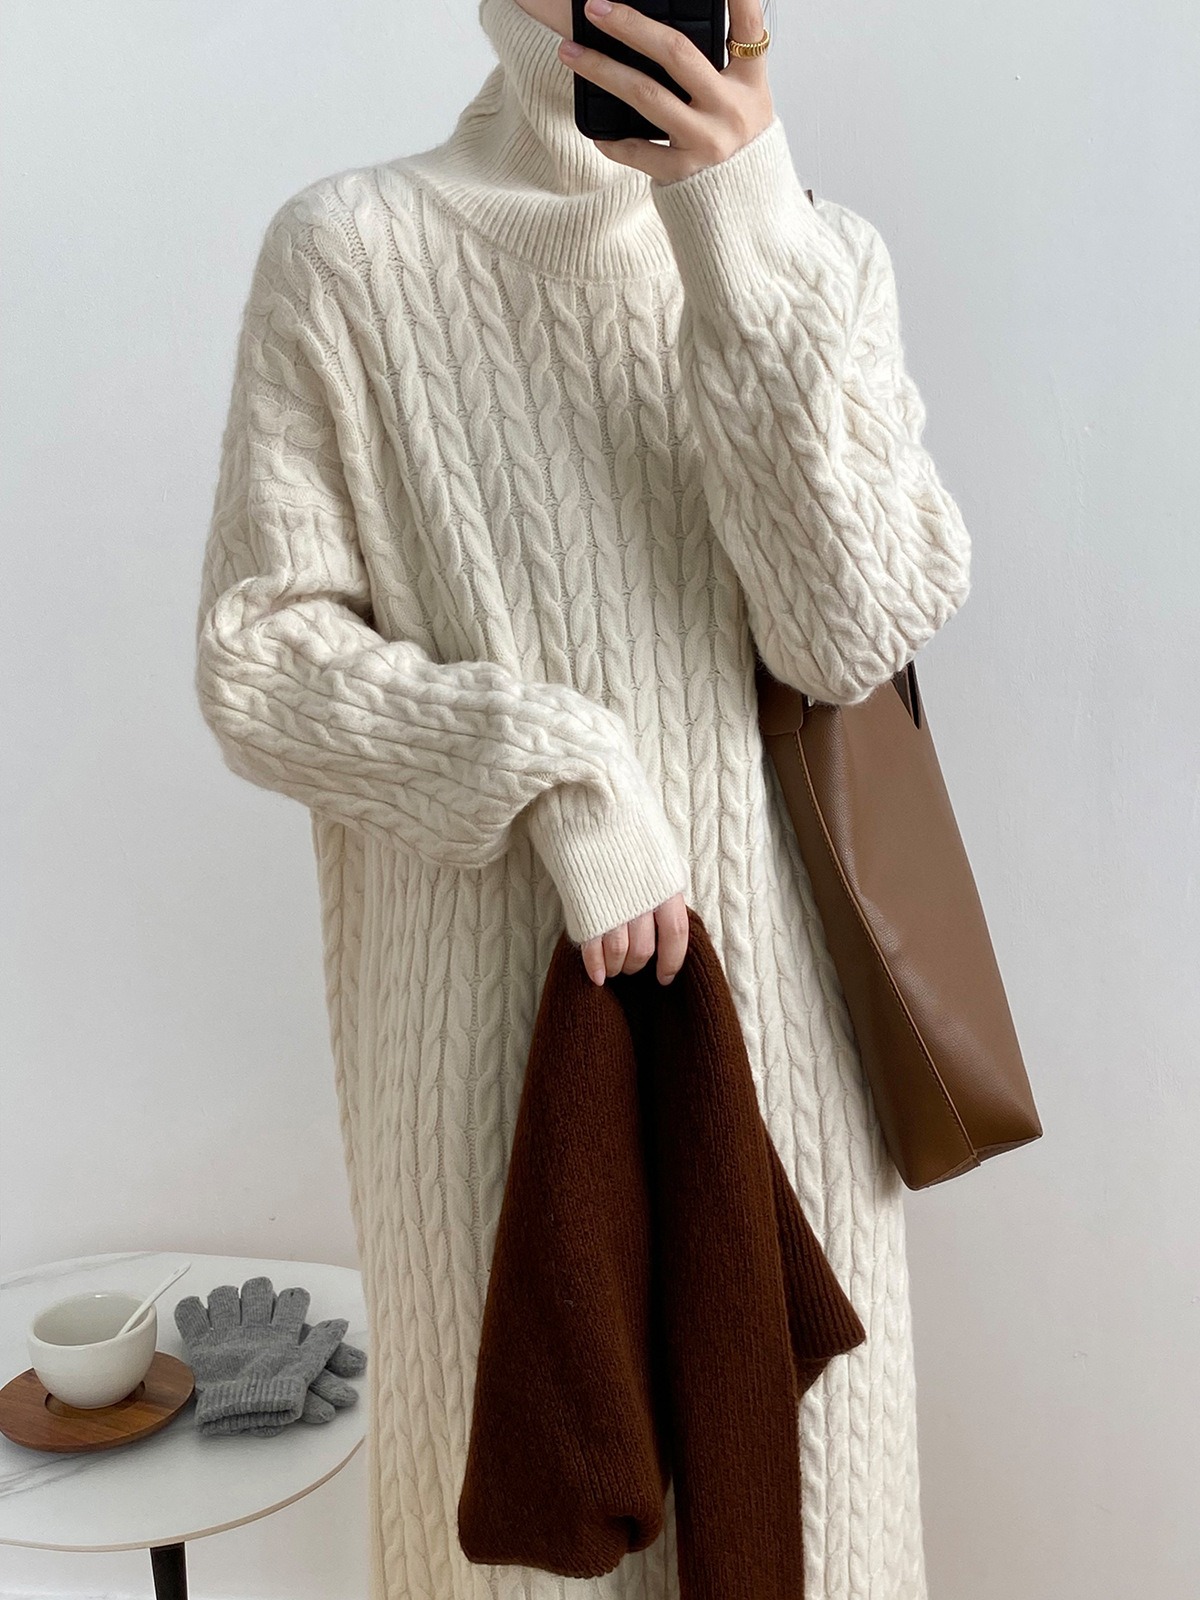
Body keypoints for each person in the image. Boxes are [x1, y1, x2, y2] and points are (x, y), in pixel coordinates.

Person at [194, 0, 972, 1595]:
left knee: (803, 1534)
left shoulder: (818, 257)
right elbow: (259, 661)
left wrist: (740, 234)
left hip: (791, 1072)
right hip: (484, 1066)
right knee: (528, 1561)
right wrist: (560, 771)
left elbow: (853, 631)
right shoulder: (350, 254)